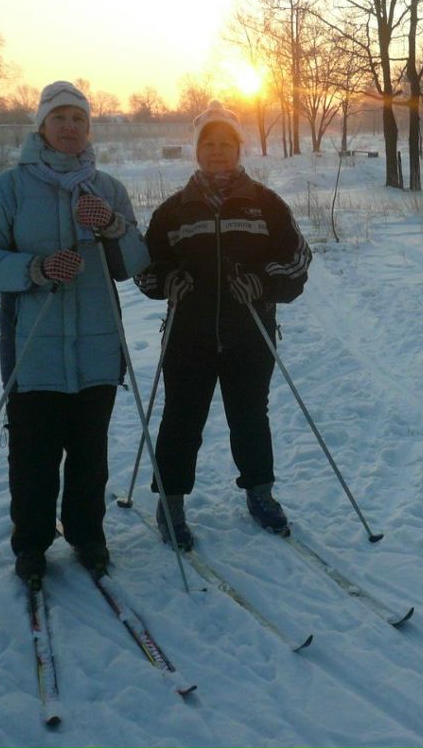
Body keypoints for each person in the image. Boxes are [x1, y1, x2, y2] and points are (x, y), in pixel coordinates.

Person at [0, 81, 150, 585]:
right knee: (32, 459)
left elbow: (134, 264)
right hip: (33, 354)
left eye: (79, 119)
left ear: (89, 128)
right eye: (60, 117)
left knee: (91, 457)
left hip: (96, 350)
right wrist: (37, 269)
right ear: (42, 125)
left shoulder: (108, 188)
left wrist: (113, 226)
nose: (70, 127)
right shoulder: (9, 188)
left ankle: (88, 536)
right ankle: (31, 545)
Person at [135, 101, 311, 548]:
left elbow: (297, 260)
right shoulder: (174, 211)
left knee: (250, 416)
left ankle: (260, 493)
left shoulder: (265, 205)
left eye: (225, 144)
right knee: (181, 418)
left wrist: (262, 282)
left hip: (249, 334)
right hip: (187, 336)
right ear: (198, 150)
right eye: (208, 145)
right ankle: (170, 500)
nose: (217, 152)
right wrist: (168, 280)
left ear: (238, 149)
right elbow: (145, 266)